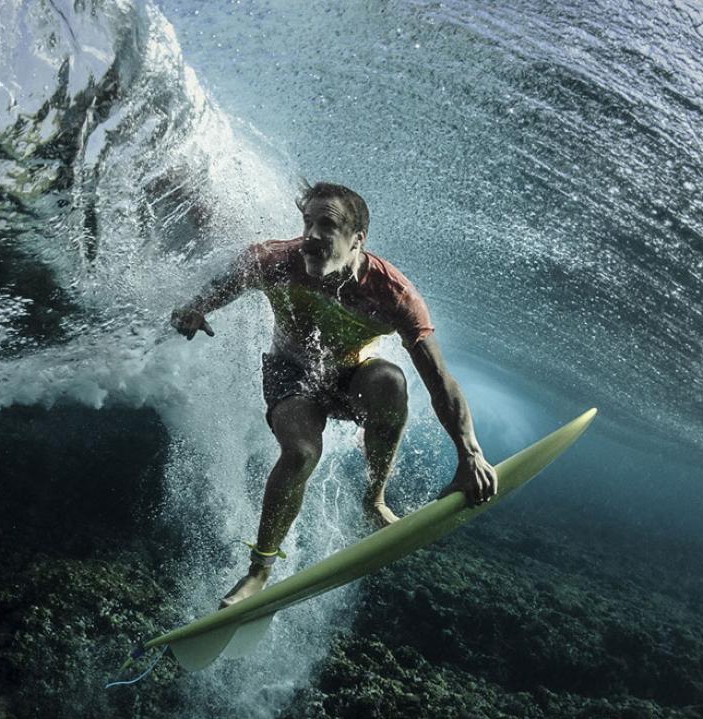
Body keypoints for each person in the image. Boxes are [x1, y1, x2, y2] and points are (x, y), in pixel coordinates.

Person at [171, 181, 498, 608]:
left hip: (352, 379)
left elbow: (441, 382)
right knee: (302, 452)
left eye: (326, 225)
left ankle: (374, 499)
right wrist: (196, 308)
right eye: (307, 222)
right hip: (289, 373)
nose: (310, 235)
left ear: (357, 240)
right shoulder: (275, 261)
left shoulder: (393, 294)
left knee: (390, 382)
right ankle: (258, 572)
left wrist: (469, 453)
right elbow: (223, 283)